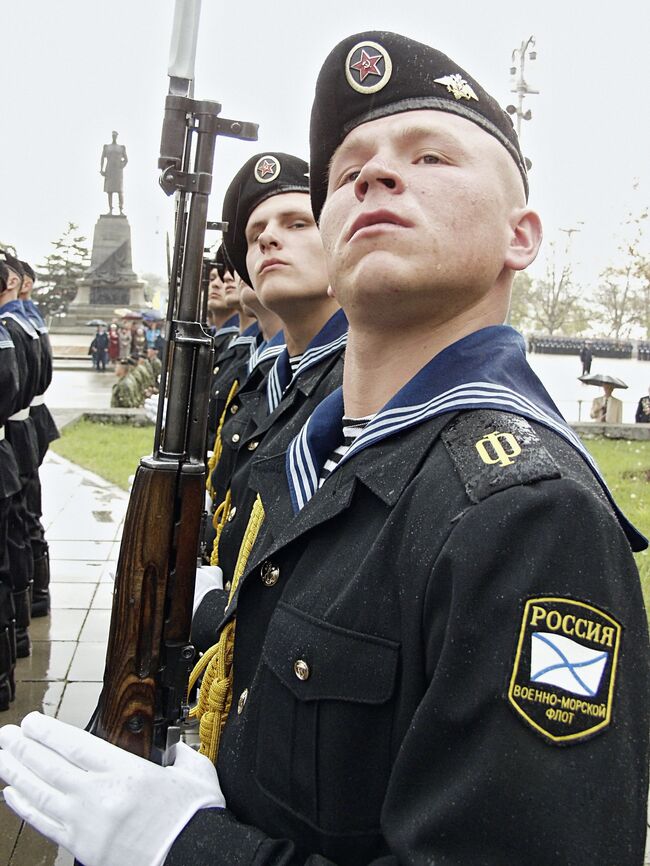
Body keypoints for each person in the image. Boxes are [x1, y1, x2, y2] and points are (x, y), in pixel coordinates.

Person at [1, 32, 649, 866]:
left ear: (521, 236)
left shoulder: (529, 520)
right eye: (349, 171)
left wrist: (190, 846)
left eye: (431, 158)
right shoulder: (321, 456)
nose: (376, 175)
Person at [100, 130, 128, 215]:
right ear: (112, 136)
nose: (114, 137)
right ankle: (110, 209)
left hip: (118, 171)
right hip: (109, 170)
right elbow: (102, 158)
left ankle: (121, 209)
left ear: (117, 136)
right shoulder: (107, 147)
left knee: (120, 190)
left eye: (115, 135)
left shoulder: (121, 147)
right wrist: (101, 169)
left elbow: (126, 159)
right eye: (113, 135)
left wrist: (121, 165)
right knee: (110, 190)